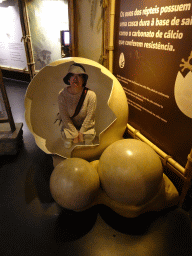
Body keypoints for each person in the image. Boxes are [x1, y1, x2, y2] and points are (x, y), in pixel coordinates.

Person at [57, 63, 97, 149]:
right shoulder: (62, 95)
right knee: (67, 136)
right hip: (70, 125)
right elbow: (64, 117)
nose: (75, 79)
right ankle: (70, 138)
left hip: (86, 125)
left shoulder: (91, 95)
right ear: (68, 79)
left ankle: (85, 138)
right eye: (72, 75)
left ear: (83, 80)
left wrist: (81, 132)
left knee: (89, 137)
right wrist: (75, 134)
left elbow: (90, 116)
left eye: (79, 76)